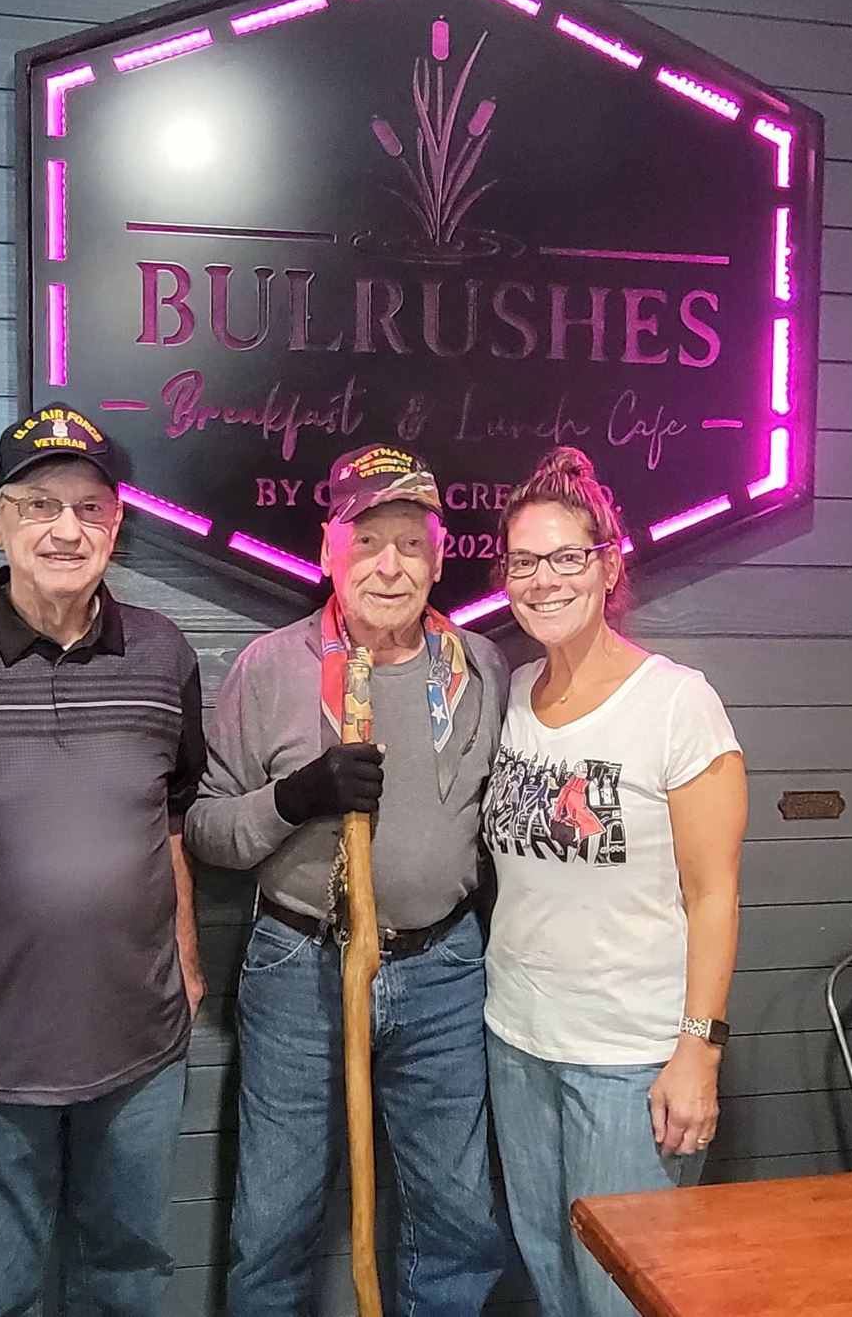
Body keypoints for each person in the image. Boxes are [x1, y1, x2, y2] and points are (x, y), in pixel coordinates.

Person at [186, 444, 508, 1316]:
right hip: (302, 970)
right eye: (365, 541)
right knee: (275, 1221)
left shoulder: (480, 669)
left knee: (458, 1220)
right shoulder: (271, 667)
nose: (388, 565)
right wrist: (294, 799)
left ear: (440, 557)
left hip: (444, 971)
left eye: (410, 543)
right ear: (327, 550)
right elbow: (207, 830)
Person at [0, 408, 207, 1317]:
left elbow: (171, 819)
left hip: (141, 1045)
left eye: (90, 508)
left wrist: (188, 962)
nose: (66, 529)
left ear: (116, 525)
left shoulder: (163, 651)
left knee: (129, 1277)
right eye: (39, 505)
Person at [480, 446, 746, 1317]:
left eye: (566, 557)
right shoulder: (515, 692)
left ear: (608, 564)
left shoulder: (677, 704)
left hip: (631, 1059)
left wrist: (698, 1051)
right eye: (524, 561)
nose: (544, 580)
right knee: (552, 1279)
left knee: (621, 1294)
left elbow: (714, 894)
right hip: (517, 1039)